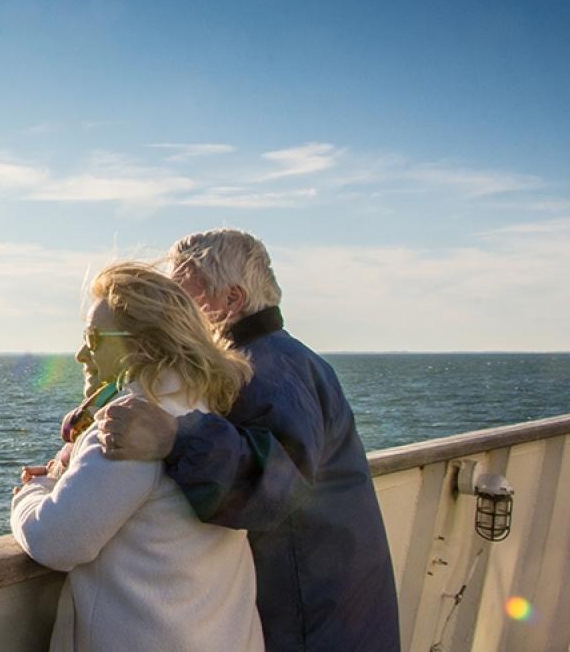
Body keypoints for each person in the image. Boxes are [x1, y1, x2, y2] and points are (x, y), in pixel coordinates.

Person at [96, 229, 400, 651]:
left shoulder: (269, 372)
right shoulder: (280, 359)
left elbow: (275, 487)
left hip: (310, 619)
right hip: (333, 608)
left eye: (181, 296)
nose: (168, 311)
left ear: (231, 301)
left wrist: (175, 436)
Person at [11, 262, 264, 652]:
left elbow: (55, 541)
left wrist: (33, 490)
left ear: (143, 345)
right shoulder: (204, 415)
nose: (81, 354)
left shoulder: (129, 425)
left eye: (94, 340)